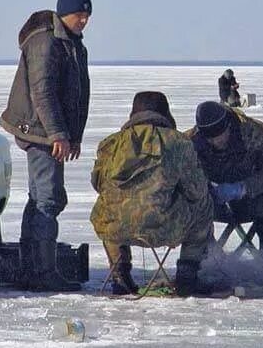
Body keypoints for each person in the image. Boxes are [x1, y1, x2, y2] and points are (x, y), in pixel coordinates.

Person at [0, 0, 92, 292]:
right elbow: (43, 92)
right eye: (80, 15)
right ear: (65, 13)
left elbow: (78, 94)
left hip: (51, 133)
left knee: (41, 197)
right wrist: (57, 133)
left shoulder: (73, 44)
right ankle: (41, 271)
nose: (84, 21)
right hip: (39, 132)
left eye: (87, 16)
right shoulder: (47, 43)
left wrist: (73, 136)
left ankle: (34, 266)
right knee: (48, 197)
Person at [90, 91, 213, 296]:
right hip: (163, 228)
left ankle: (120, 274)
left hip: (114, 229)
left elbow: (98, 184)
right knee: (204, 204)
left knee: (109, 207)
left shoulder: (110, 143)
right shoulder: (179, 142)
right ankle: (187, 275)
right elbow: (196, 190)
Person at [186, 101, 263, 264]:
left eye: (219, 136)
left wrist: (244, 188)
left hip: (252, 198)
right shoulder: (191, 141)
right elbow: (184, 178)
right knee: (189, 205)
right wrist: (204, 190)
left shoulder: (255, 132)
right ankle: (208, 261)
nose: (215, 142)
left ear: (228, 126)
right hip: (213, 203)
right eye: (209, 139)